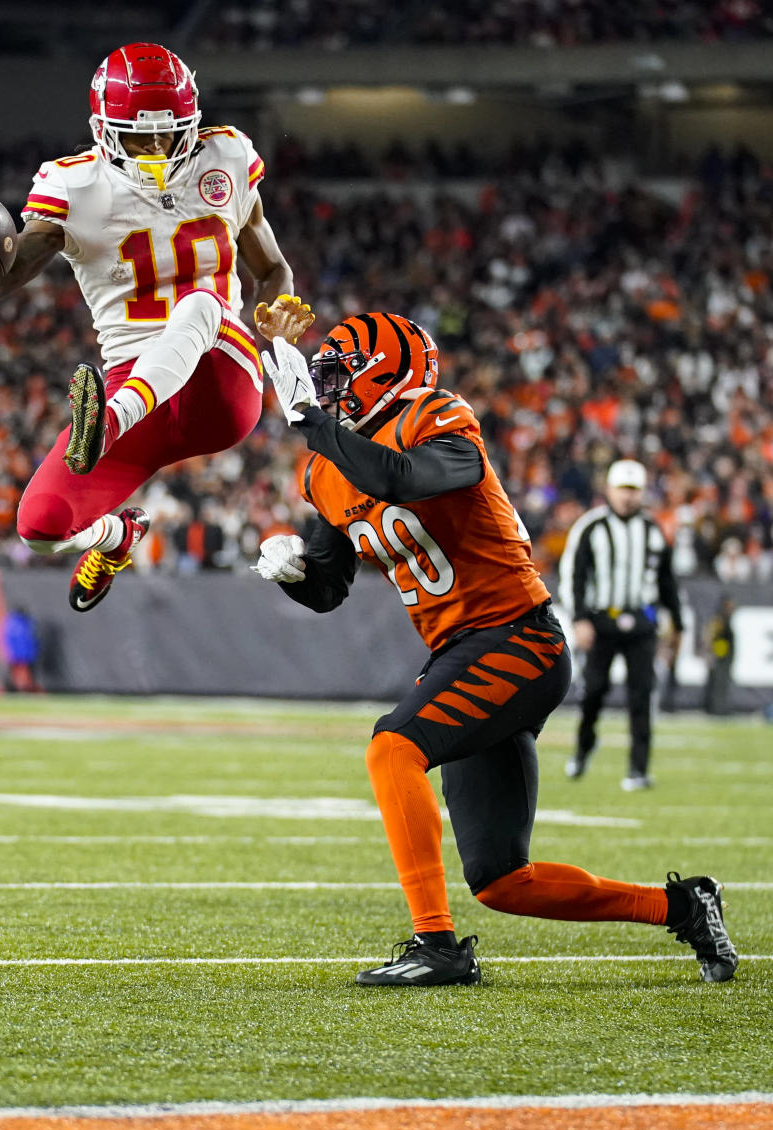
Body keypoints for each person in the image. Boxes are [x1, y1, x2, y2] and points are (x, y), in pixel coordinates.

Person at [250, 311, 737, 987]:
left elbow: (402, 477)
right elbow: (331, 589)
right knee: (504, 880)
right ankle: (682, 905)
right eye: (322, 381)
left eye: (339, 376)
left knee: (393, 747)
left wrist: (315, 424)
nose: (328, 391)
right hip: (459, 650)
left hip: (519, 637)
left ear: (385, 370)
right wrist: (293, 572)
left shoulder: (437, 416)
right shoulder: (327, 469)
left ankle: (437, 946)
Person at [0, 42, 312, 613]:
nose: (154, 148)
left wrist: (277, 314)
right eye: (138, 135)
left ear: (191, 123)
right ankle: (116, 537)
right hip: (134, 382)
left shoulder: (225, 156)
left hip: (220, 376)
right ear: (103, 129)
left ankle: (107, 423)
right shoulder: (73, 187)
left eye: (168, 133)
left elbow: (272, 268)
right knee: (39, 526)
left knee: (199, 302)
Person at [558, 460, 684, 791]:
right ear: (609, 490)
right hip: (601, 621)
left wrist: (678, 624)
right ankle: (584, 748)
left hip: (642, 621)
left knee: (642, 694)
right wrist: (580, 618)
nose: (628, 497)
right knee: (594, 692)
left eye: (634, 490)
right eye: (623, 489)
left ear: (642, 493)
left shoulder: (652, 530)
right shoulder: (591, 527)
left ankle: (638, 769)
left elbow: (667, 581)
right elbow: (575, 576)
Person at [703, 594, 737, 716]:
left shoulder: (724, 617)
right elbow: (710, 635)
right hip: (720, 653)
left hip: (724, 654)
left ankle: (721, 707)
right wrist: (710, 652)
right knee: (719, 682)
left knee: (723, 682)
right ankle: (717, 708)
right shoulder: (719, 618)